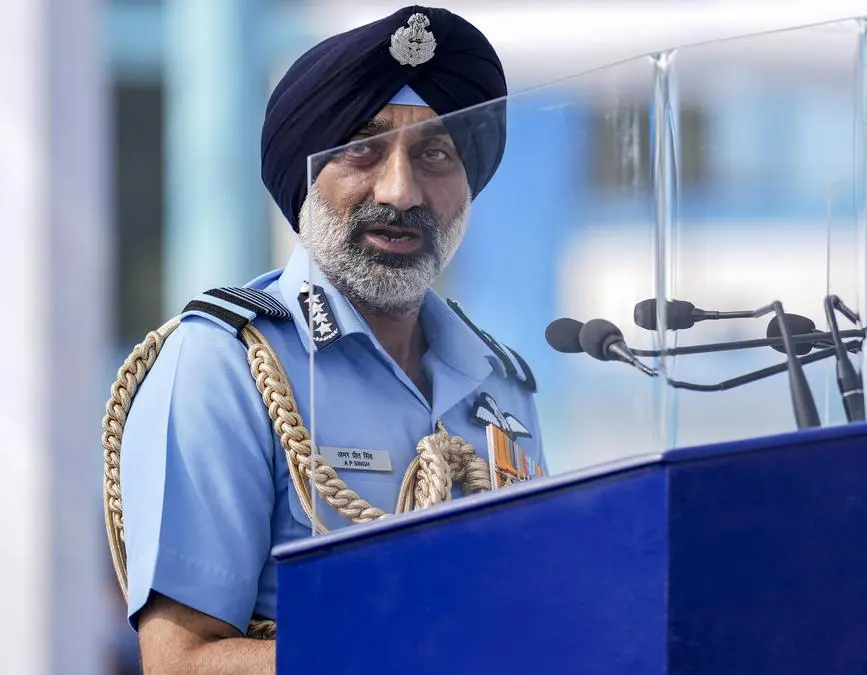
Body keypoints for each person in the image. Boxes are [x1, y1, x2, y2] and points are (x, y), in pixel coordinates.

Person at [116, 6, 546, 673]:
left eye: (435, 154)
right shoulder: (226, 364)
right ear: (307, 176)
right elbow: (181, 662)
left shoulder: (501, 383)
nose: (401, 193)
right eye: (361, 149)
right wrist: (413, 655)